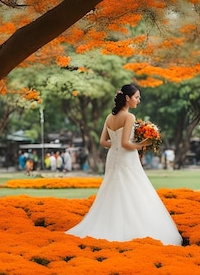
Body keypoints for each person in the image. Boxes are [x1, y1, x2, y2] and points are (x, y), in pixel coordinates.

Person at [66, 84, 182, 246]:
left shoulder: (109, 117)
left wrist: (116, 146)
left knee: (115, 190)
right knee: (134, 189)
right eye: (136, 97)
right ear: (127, 98)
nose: (138, 100)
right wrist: (143, 144)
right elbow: (126, 143)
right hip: (126, 158)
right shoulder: (129, 117)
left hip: (113, 156)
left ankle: (111, 224)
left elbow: (103, 142)